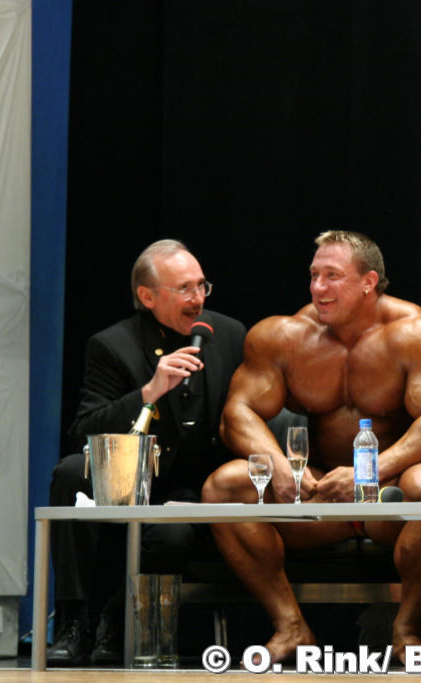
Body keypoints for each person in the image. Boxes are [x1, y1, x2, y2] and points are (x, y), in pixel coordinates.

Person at [202, 230, 421, 663]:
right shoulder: (284, 336)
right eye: (313, 275)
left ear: (369, 282)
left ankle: (406, 630)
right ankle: (291, 626)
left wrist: (370, 472)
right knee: (224, 486)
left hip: (391, 495)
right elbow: (237, 413)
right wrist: (279, 465)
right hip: (320, 495)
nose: (318, 287)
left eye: (332, 275)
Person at [46, 239, 245, 666]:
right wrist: (148, 392)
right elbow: (84, 431)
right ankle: (73, 623)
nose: (198, 298)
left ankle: (116, 621)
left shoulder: (230, 335)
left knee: (172, 534)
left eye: (202, 286)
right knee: (70, 472)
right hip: (129, 478)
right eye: (184, 289)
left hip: (196, 485)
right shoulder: (113, 345)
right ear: (147, 296)